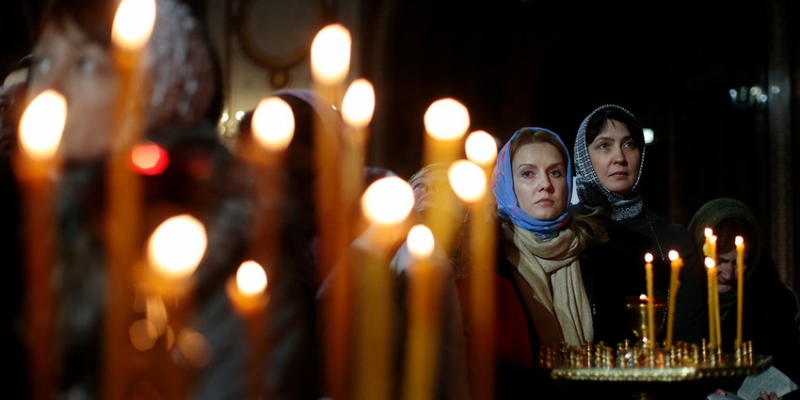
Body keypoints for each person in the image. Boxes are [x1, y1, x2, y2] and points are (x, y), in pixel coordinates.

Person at [25, 0, 250, 398]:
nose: (50, 88)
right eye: (42, 63)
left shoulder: (218, 236)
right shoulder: (35, 213)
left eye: (86, 64)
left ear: (153, 87)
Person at [491, 127, 612, 399]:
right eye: (528, 174)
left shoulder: (599, 254)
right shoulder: (489, 259)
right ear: (506, 184)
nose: (545, 184)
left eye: (555, 172)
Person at [572, 103, 707, 345]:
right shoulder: (566, 231)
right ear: (583, 156)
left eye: (629, 144)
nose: (620, 158)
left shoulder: (673, 238)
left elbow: (689, 338)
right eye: (604, 145)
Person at [689, 198, 800, 400]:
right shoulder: (678, 299)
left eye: (739, 262)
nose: (729, 274)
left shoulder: (774, 300)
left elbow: (788, 362)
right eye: (719, 261)